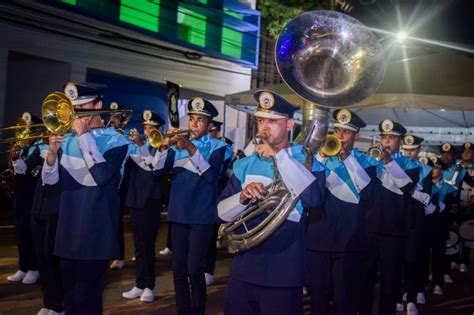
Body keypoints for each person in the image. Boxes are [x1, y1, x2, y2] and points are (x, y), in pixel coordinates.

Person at [218, 90, 326, 315]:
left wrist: (279, 156)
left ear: (289, 124)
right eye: (260, 120)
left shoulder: (306, 160)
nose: (264, 128)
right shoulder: (245, 164)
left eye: (272, 121)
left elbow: (314, 200)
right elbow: (220, 213)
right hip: (244, 270)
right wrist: (242, 197)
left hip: (284, 271)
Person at [42, 82, 131, 314]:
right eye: (73, 109)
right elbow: (50, 184)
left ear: (98, 106)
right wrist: (51, 154)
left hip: (95, 233)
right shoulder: (68, 141)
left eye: (82, 108)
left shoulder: (116, 141)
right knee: (70, 300)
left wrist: (83, 135)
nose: (76, 115)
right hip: (68, 231)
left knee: (87, 302)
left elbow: (102, 177)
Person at [151, 97, 231, 315]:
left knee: (195, 269)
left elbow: (211, 177)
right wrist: (163, 147)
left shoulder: (219, 146)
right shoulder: (176, 147)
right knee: (178, 269)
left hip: (201, 216)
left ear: (209, 125)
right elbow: (156, 170)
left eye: (200, 120)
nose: (194, 124)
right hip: (179, 214)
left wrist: (191, 149)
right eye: (192, 119)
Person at [307, 109, 379, 315]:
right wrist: (320, 156)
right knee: (318, 299)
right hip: (318, 239)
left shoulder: (366, 161)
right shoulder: (318, 158)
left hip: (350, 242)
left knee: (344, 300)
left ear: (356, 135)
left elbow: (369, 194)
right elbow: (305, 186)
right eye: (337, 130)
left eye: (346, 132)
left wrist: (348, 159)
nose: (339, 136)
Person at [360, 119, 420, 315]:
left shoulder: (410, 164)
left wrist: (388, 161)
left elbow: (407, 186)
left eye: (391, 138)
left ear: (400, 142)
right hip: (369, 229)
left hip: (394, 232)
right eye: (384, 138)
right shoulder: (369, 160)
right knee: (365, 279)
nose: (386, 142)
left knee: (390, 282)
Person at [122, 110, 166, 302]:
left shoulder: (162, 148)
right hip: (136, 199)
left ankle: (149, 285)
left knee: (147, 244)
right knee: (138, 245)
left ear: (159, 129)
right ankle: (139, 284)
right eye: (145, 128)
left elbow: (154, 169)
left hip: (151, 201)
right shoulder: (136, 146)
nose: (147, 131)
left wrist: (141, 147)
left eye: (151, 128)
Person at [8, 112, 45, 285]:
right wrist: (15, 156)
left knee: (31, 232)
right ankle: (23, 266)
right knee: (21, 231)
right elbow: (16, 171)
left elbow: (24, 169)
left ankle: (34, 268)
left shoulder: (39, 147)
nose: (25, 133)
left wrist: (17, 158)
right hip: (21, 193)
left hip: (33, 193)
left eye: (29, 129)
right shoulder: (24, 147)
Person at [401, 134, 432, 313]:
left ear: (419, 150)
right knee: (397, 261)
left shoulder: (425, 170)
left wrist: (409, 189)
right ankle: (398, 296)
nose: (408, 153)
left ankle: (411, 297)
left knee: (413, 259)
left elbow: (427, 197)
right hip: (397, 218)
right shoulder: (394, 166)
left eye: (412, 150)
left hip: (416, 220)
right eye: (406, 149)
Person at [204, 120, 233, 285]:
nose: (210, 134)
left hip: (218, 190)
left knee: (210, 234)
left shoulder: (222, 146)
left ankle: (209, 269)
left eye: (212, 131)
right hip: (208, 192)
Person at [422, 156, 456, 296]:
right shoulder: (423, 184)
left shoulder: (447, 187)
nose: (433, 170)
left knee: (438, 256)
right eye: (432, 167)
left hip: (440, 225)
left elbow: (449, 208)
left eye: (436, 168)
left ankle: (437, 282)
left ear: (441, 171)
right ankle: (422, 283)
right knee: (422, 256)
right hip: (425, 225)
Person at [108, 102, 130, 270]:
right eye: (112, 115)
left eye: (116, 116)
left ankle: (119, 255)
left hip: (119, 182)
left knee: (116, 221)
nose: (112, 119)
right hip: (105, 180)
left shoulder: (126, 135)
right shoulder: (105, 133)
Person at [457, 142, 474, 273]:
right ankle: (455, 260)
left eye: (470, 152)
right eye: (464, 152)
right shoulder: (456, 168)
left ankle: (464, 261)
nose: (467, 154)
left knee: (469, 232)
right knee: (455, 232)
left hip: (471, 205)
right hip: (457, 205)